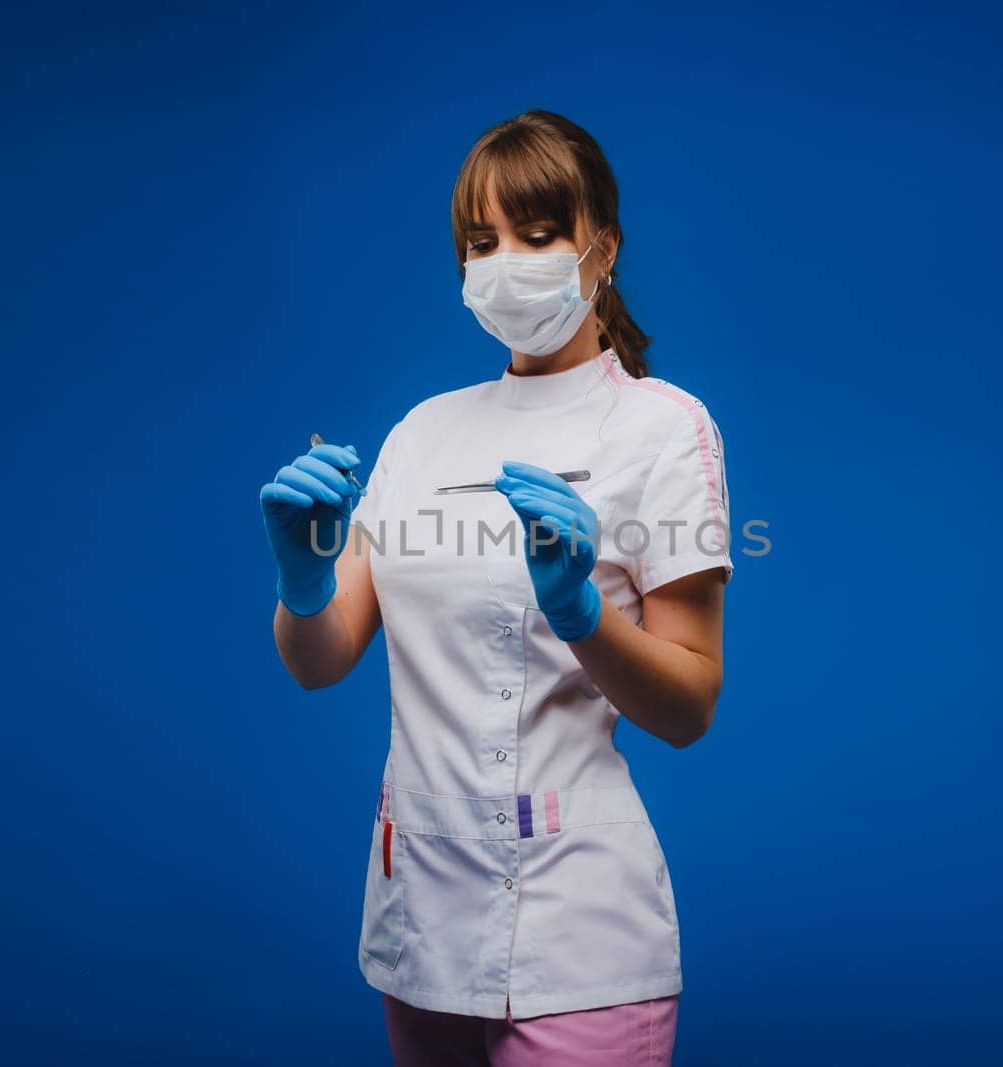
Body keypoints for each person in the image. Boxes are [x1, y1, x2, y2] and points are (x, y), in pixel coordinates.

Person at [260, 109, 733, 1067]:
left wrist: (582, 614)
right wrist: (303, 574)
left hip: (580, 924)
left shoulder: (665, 429)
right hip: (422, 911)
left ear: (601, 246)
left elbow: (688, 706)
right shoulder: (422, 433)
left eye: (538, 233)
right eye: (482, 242)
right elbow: (322, 659)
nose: (506, 261)